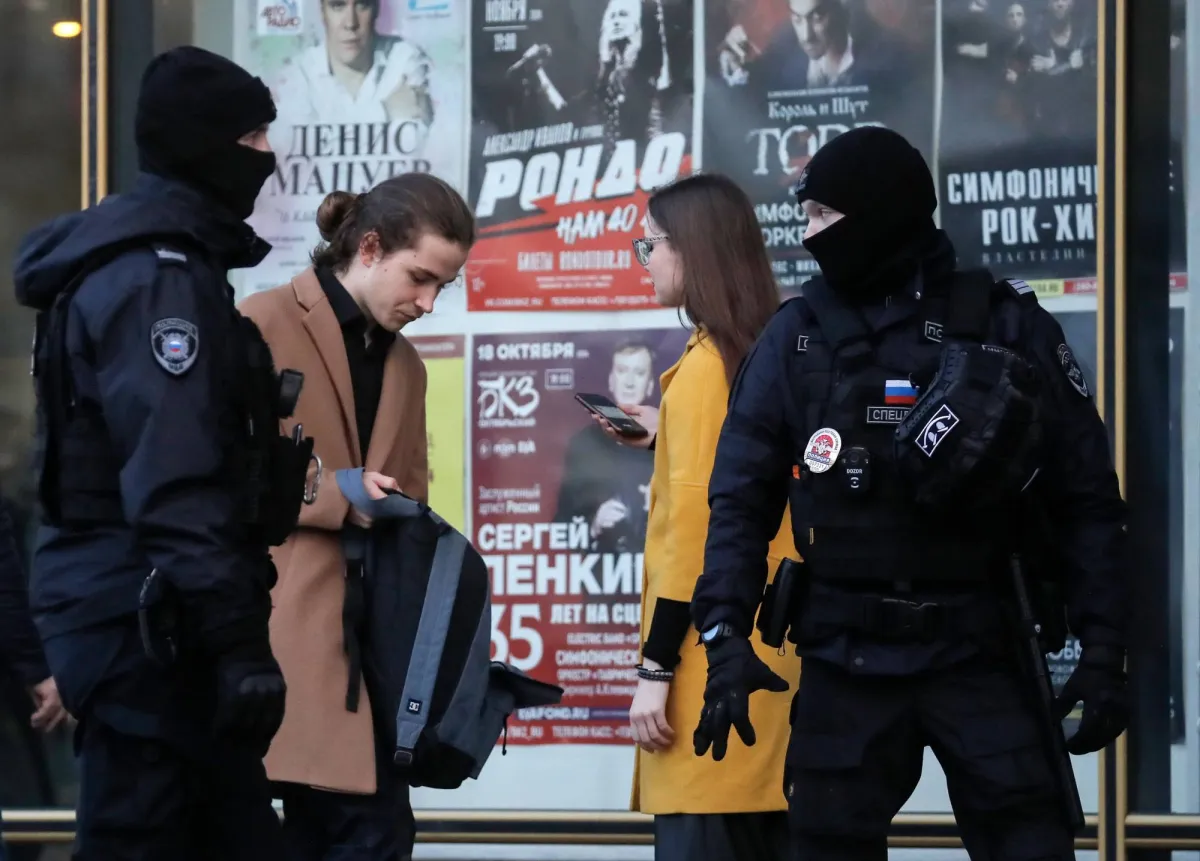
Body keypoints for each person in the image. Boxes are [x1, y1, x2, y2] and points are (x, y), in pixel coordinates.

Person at [689, 126, 1129, 860]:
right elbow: (738, 500)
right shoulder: (797, 337)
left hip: (983, 648)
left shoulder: (1006, 322)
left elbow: (1085, 498)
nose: (807, 235)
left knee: (1029, 843)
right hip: (845, 656)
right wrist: (724, 634)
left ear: (879, 211)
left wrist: (1106, 646)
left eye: (823, 215)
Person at [12, 46, 311, 860]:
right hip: (143, 627)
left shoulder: (166, 264)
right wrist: (237, 639)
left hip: (150, 616)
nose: (267, 157)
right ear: (203, 146)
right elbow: (175, 478)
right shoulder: (157, 279)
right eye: (251, 138)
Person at [238, 173, 475, 861]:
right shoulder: (262, 321)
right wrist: (342, 496)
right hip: (272, 637)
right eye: (420, 278)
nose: (428, 303)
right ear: (369, 248)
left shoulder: (408, 366)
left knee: (372, 837)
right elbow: (220, 477)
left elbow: (414, 501)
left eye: (443, 286)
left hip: (375, 652)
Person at [597, 173, 799, 861]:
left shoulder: (706, 369)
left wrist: (655, 670)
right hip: (769, 661)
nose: (644, 260)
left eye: (649, 244)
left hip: (708, 673)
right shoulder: (763, 352)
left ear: (692, 249)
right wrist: (669, 434)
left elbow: (694, 540)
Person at [552, 339, 658, 553]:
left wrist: (659, 506)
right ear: (611, 380)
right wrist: (594, 525)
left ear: (650, 385)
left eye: (639, 373)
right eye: (622, 371)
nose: (629, 382)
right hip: (603, 566)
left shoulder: (670, 441)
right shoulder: (583, 445)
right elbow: (560, 526)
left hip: (656, 563)